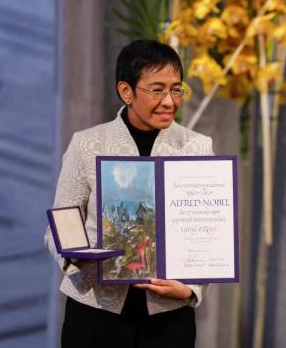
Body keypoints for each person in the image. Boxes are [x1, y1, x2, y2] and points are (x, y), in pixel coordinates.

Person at [45, 40, 213, 348]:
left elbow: (208, 232)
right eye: (157, 89)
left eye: (176, 89)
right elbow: (60, 224)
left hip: (168, 315)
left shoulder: (197, 147)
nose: (169, 101)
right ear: (126, 91)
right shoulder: (87, 144)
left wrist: (190, 290)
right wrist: (75, 258)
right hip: (95, 309)